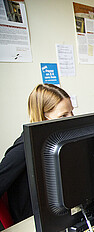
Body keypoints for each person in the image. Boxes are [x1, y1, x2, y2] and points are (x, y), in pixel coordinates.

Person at [0, 84, 74, 224]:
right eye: (63, 115)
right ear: (43, 117)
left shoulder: (57, 144)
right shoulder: (23, 149)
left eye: (71, 112)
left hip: (56, 216)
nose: (71, 118)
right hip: (30, 223)